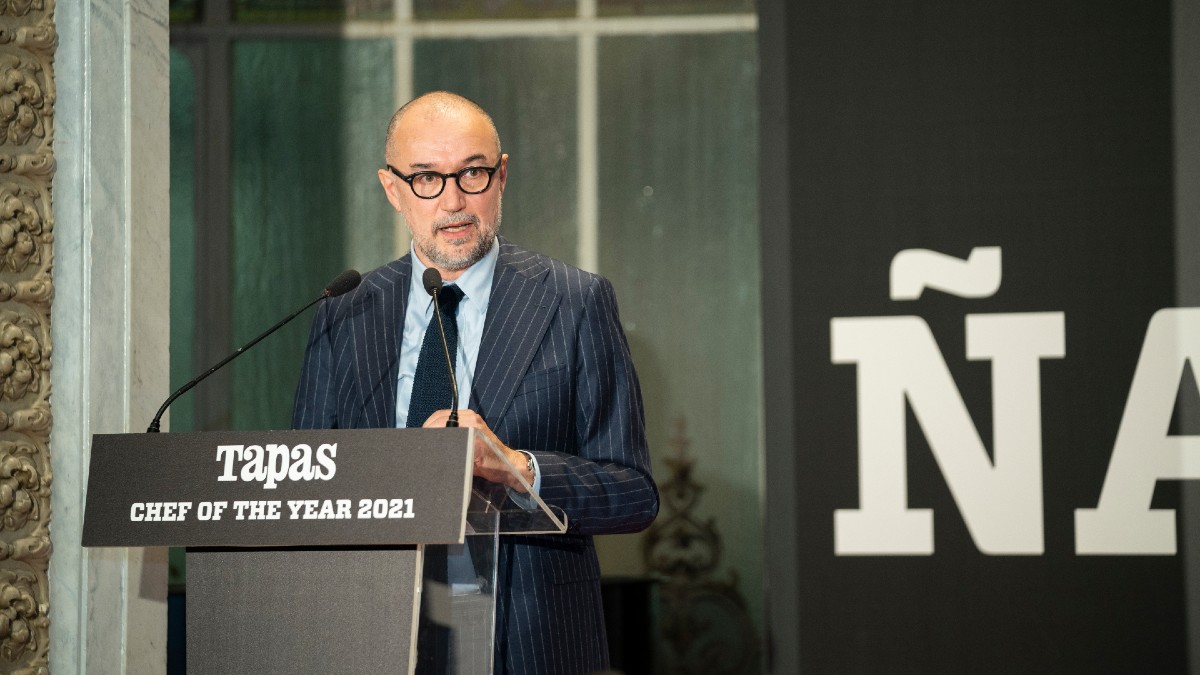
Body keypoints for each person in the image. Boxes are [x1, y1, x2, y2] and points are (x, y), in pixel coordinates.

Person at [292, 91, 659, 674]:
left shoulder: (575, 301)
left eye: (473, 173)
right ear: (392, 189)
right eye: (426, 179)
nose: (455, 201)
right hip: (377, 639)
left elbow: (635, 493)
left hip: (529, 644)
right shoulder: (346, 311)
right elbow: (304, 488)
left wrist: (517, 466)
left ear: (502, 175)